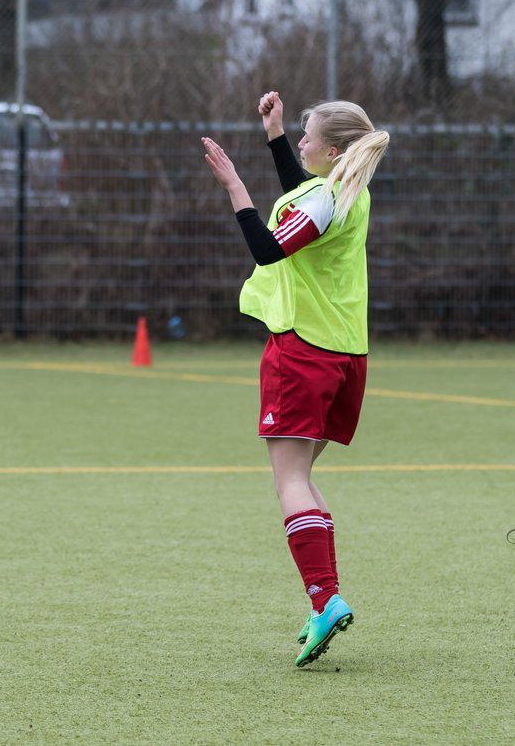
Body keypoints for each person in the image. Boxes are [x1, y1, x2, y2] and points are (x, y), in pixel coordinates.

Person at [202, 91, 389, 667]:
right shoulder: (345, 191)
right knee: (302, 479)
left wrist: (234, 185)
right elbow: (302, 196)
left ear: (333, 150)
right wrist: (276, 132)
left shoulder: (327, 201)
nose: (300, 144)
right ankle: (322, 601)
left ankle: (326, 598)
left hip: (302, 352)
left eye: (307, 136)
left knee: (289, 483)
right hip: (344, 356)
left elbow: (268, 249)